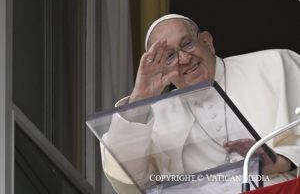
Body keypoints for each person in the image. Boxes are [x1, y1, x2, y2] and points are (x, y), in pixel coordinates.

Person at [101, 14, 300, 194]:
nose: (184, 59)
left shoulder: (274, 65)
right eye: (169, 56)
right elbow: (128, 181)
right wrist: (140, 101)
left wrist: (280, 161)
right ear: (159, 69)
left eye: (187, 44)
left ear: (207, 41)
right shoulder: (154, 114)